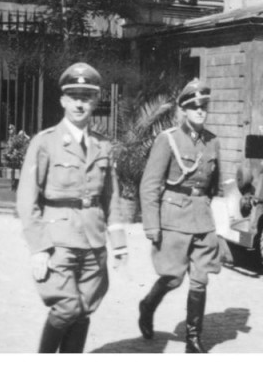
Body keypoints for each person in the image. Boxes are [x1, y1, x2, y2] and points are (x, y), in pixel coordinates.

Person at [16, 62, 128, 354]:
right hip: (58, 241)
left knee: (85, 309)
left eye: (86, 97)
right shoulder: (45, 142)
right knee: (67, 307)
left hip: (94, 240)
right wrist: (38, 248)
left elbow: (111, 196)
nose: (80, 103)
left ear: (95, 101)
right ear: (63, 100)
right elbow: (27, 200)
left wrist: (118, 243)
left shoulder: (103, 146)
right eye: (74, 96)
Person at [138, 78, 222, 353]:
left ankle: (193, 340)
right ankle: (148, 305)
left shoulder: (212, 142)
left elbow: (215, 184)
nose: (201, 111)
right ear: (184, 110)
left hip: (202, 217)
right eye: (194, 107)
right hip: (173, 217)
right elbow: (150, 184)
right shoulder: (169, 139)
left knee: (200, 278)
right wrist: (152, 225)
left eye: (204, 107)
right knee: (173, 278)